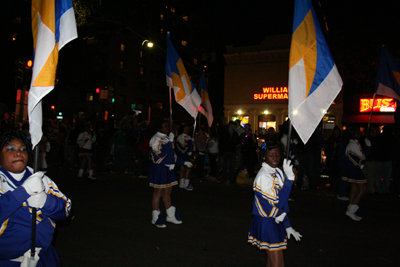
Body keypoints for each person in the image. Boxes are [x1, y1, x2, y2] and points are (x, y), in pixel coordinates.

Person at [0, 129, 71, 266]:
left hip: (43, 257)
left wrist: (46, 202)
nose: (18, 152)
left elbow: (66, 210)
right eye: (10, 148)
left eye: (23, 149)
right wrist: (22, 193)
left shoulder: (40, 178)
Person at [248, 141, 301, 267]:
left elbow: (284, 203)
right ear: (264, 156)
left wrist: (287, 225)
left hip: (275, 221)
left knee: (273, 263)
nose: (275, 158)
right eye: (271, 155)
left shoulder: (276, 171)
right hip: (266, 222)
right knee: (277, 264)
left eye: (277, 155)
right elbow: (279, 202)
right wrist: (289, 180)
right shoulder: (263, 176)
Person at [149, 119, 192, 228]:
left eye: (168, 126)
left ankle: (170, 215)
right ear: (159, 128)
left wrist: (183, 162)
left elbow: (173, 156)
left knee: (167, 192)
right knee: (158, 193)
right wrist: (169, 143)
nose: (167, 128)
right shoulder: (155, 139)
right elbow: (158, 155)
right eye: (165, 126)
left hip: (169, 170)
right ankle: (155, 217)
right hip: (160, 169)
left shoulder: (167, 138)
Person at [342, 128, 371, 221]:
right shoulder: (352, 144)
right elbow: (361, 157)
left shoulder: (354, 144)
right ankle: (351, 211)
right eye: (357, 133)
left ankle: (351, 210)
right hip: (355, 170)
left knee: (354, 190)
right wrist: (368, 148)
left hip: (353, 169)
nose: (359, 134)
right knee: (362, 190)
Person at [175, 124, 194, 191]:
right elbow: (180, 146)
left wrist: (192, 142)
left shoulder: (189, 137)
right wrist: (188, 143)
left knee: (188, 168)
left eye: (187, 129)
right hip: (182, 155)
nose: (187, 130)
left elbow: (191, 146)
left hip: (187, 155)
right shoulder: (180, 137)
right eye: (185, 129)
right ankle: (183, 183)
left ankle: (185, 183)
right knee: (182, 169)